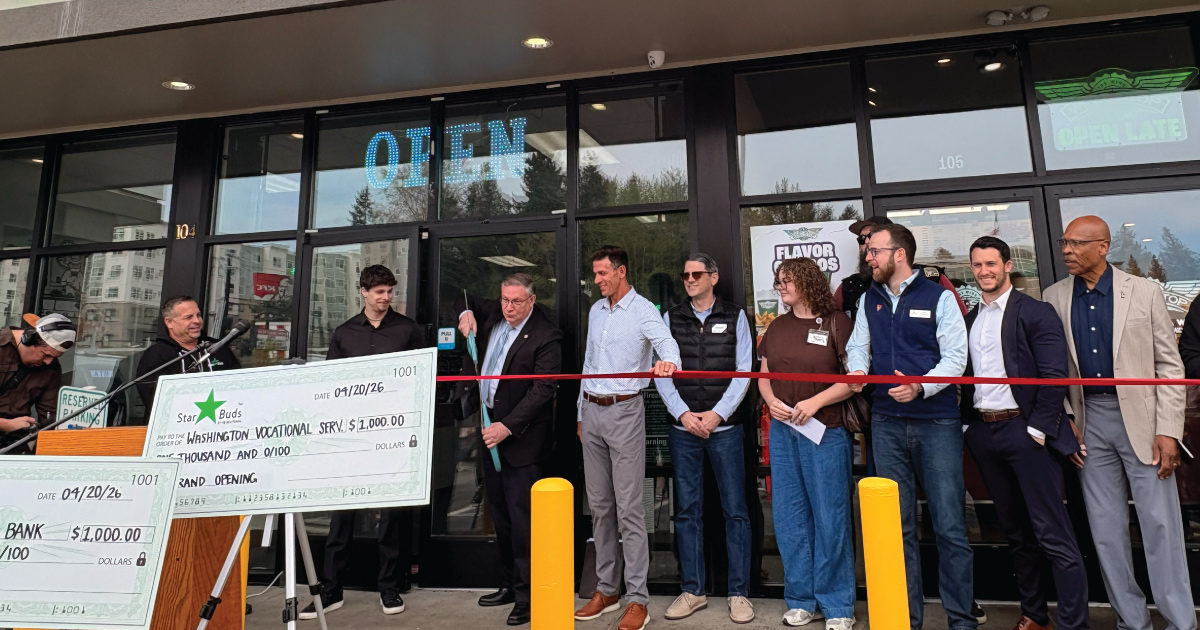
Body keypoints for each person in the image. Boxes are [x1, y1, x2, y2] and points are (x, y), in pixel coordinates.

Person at [1043, 216, 1196, 630]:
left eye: (1076, 243)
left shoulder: (1143, 291)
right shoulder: (1053, 296)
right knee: (1106, 530)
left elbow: (1170, 366)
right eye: (1064, 242)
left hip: (1145, 423)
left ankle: (1181, 621)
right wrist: (1067, 419)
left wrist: (1168, 430)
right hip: (1089, 422)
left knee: (1160, 526)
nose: (1067, 251)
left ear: (1103, 246)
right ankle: (1131, 621)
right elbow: (1052, 369)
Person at [844, 223, 974, 630]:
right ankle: (904, 619)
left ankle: (962, 620)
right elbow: (856, 347)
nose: (868, 257)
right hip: (885, 423)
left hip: (936, 422)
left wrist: (921, 386)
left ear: (899, 253)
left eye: (874, 251)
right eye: (867, 251)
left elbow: (956, 357)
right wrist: (859, 370)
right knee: (896, 528)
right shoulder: (869, 298)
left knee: (950, 525)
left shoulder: (940, 297)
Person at [960, 236, 1088, 630]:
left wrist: (1037, 429)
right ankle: (1034, 614)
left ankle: (1072, 623)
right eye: (978, 265)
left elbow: (1054, 377)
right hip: (985, 433)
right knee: (1015, 532)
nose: (984, 271)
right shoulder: (969, 318)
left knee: (1052, 534)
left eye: (991, 264)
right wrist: (968, 426)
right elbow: (964, 376)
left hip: (1025, 431)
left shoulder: (1036, 311)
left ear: (1008, 265)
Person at [301, 264, 426, 620]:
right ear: (363, 293)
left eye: (389, 292)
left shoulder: (407, 330)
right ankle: (331, 590)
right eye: (379, 292)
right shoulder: (344, 333)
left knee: (390, 517)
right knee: (342, 516)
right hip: (349, 437)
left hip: (392, 435)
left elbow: (419, 378)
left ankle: (388, 588)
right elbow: (331, 382)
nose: (385, 298)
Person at [574, 245, 680, 630]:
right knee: (600, 507)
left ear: (620, 271)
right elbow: (588, 363)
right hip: (592, 411)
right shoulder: (595, 310)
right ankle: (607, 589)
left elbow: (668, 346)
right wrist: (580, 412)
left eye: (602, 273)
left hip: (625, 411)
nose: (597, 280)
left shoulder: (644, 310)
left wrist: (668, 362)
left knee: (630, 509)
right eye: (595, 274)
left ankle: (638, 599)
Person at [455, 273, 563, 626]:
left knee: (523, 524)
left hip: (521, 441)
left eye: (517, 301)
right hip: (489, 435)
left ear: (532, 301)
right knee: (499, 517)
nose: (509, 307)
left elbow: (543, 390)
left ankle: (527, 596)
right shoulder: (494, 315)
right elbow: (463, 297)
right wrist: (463, 316)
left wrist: (508, 426)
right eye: (505, 299)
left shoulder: (546, 334)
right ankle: (507, 584)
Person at [653, 253, 754, 624]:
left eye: (697, 274)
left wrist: (717, 414)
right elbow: (663, 372)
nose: (689, 279)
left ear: (713, 277)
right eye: (685, 275)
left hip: (724, 429)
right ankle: (693, 590)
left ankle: (739, 592)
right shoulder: (671, 317)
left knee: (736, 512)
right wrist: (683, 414)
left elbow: (744, 370)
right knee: (687, 512)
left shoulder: (736, 316)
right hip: (684, 431)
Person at [757, 258, 856, 630]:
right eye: (778, 281)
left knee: (830, 518)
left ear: (808, 282)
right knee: (789, 517)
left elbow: (855, 378)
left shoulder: (837, 322)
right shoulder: (777, 327)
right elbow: (762, 373)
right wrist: (770, 401)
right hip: (784, 433)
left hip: (825, 430)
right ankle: (801, 599)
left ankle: (837, 605)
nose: (780, 287)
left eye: (787, 281)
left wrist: (815, 403)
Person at [835, 216, 966, 319]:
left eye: (871, 235)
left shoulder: (932, 278)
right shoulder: (849, 288)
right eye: (862, 239)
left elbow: (961, 324)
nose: (867, 242)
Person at [134, 296, 242, 409]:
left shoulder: (218, 347)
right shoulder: (156, 355)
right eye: (188, 317)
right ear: (169, 322)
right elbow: (155, 401)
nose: (197, 321)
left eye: (198, 315)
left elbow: (239, 386)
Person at [0, 313, 75, 450]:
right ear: (28, 339)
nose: (48, 362)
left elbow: (49, 418)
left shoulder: (51, 368)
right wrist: (7, 424)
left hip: (14, 443)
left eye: (54, 357)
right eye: (45, 354)